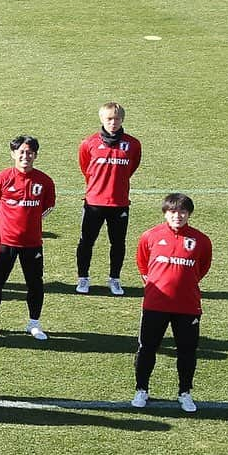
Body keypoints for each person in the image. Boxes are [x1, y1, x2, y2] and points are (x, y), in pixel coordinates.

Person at [132, 193, 212, 413]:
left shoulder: (200, 240)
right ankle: (141, 389)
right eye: (173, 212)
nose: (178, 216)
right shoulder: (150, 236)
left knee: (187, 351)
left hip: (188, 306)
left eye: (183, 212)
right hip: (155, 305)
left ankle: (185, 392)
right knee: (147, 348)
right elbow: (142, 265)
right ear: (165, 213)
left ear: (189, 214)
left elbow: (202, 267)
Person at [0, 136, 56, 340]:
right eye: (21, 152)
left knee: (35, 284)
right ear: (13, 154)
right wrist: (7, 221)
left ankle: (34, 323)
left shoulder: (44, 181)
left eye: (30, 152)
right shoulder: (2, 178)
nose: (25, 156)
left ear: (35, 155)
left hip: (32, 243)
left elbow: (48, 206)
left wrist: (31, 221)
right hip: (4, 242)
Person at [76, 102, 141, 296]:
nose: (113, 122)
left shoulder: (133, 144)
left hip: (119, 203)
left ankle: (114, 279)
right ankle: (83, 277)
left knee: (118, 243)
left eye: (117, 119)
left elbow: (132, 167)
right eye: (109, 119)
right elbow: (85, 168)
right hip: (94, 203)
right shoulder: (89, 143)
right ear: (102, 119)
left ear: (122, 120)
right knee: (87, 241)